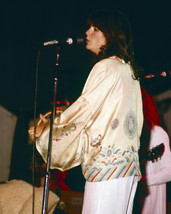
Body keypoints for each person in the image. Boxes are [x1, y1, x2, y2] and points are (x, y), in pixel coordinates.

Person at [29, 9, 143, 214]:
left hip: (106, 169)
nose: (87, 32)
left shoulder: (106, 67)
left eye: (95, 28)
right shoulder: (127, 69)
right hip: (127, 168)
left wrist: (48, 129)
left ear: (111, 34)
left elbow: (84, 110)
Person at [133, 88, 171, 214]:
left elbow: (169, 171)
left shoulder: (157, 133)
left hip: (151, 204)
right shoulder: (133, 136)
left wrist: (144, 180)